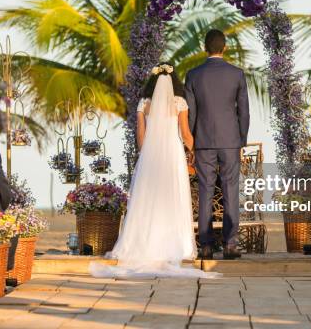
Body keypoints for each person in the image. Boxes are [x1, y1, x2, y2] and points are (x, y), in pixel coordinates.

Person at [89, 63, 218, 278]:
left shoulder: (143, 104)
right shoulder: (179, 102)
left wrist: (146, 153)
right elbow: (185, 134)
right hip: (173, 155)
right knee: (172, 198)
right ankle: (178, 244)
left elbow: (141, 138)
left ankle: (144, 243)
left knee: (147, 200)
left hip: (150, 155)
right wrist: (195, 150)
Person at [185, 29, 250, 260]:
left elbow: (191, 114)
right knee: (231, 190)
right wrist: (241, 140)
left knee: (205, 191)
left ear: (204, 48)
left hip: (203, 141)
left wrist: (191, 143)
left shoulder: (193, 75)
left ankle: (206, 247)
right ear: (225, 47)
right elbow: (244, 111)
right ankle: (231, 245)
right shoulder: (237, 74)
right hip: (230, 141)